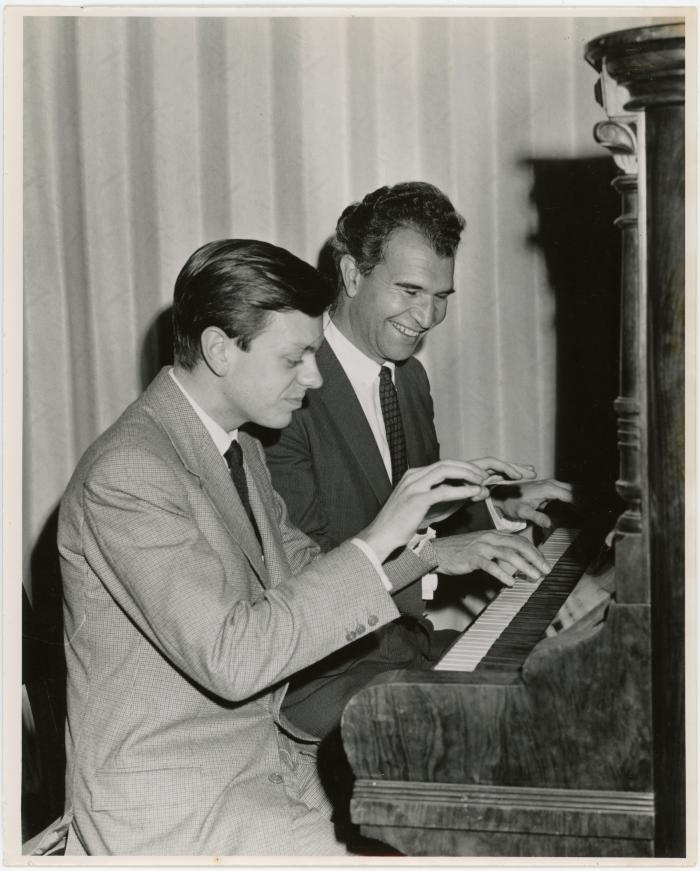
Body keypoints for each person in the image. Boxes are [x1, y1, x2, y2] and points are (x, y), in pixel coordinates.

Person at [56, 238, 550, 857]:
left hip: (263, 763)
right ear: (218, 349)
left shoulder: (238, 446)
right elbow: (234, 658)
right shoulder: (130, 475)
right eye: (296, 358)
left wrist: (426, 544)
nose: (313, 379)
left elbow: (307, 571)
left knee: (471, 812)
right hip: (175, 803)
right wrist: (380, 533)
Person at [259, 183, 573, 814]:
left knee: (556, 693)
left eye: (441, 298)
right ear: (350, 273)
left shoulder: (407, 377)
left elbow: (409, 508)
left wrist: (497, 508)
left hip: (403, 646)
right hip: (322, 676)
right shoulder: (285, 387)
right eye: (409, 291)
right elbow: (306, 567)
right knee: (499, 752)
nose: (426, 318)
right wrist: (437, 556)